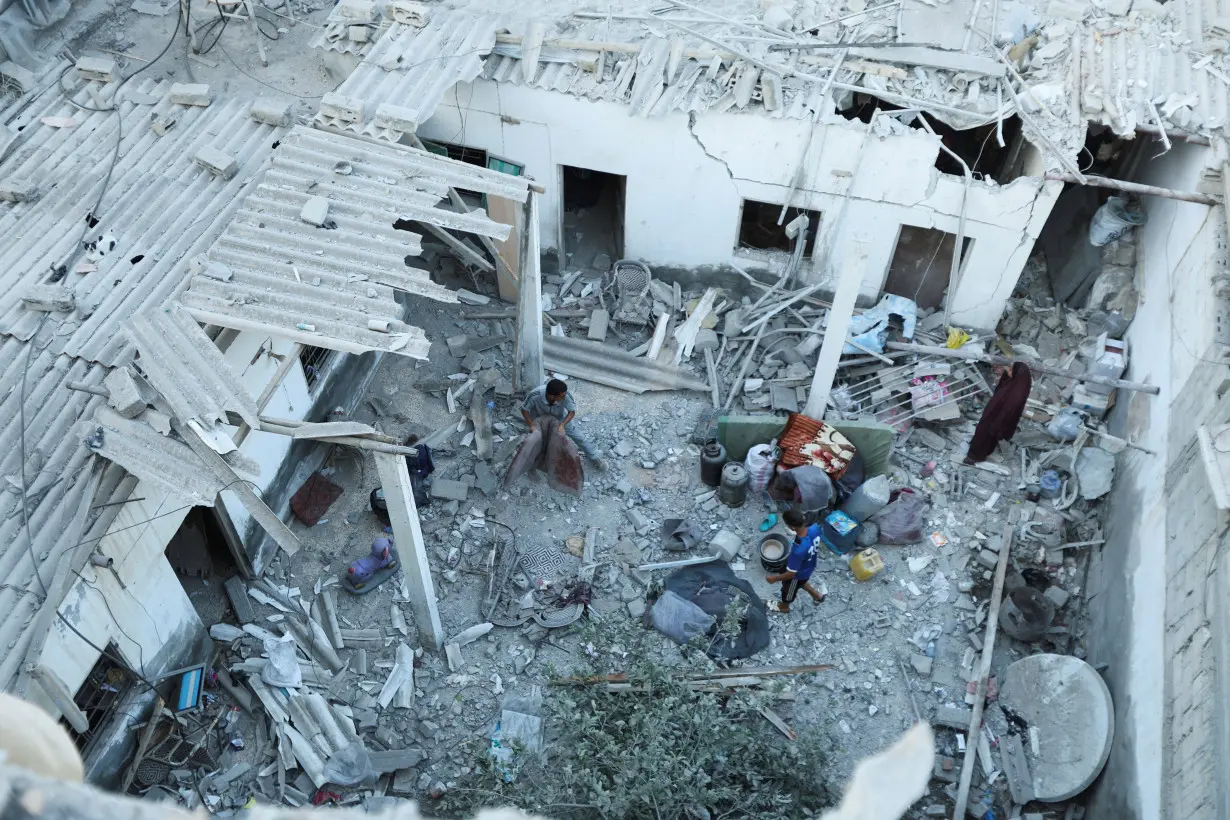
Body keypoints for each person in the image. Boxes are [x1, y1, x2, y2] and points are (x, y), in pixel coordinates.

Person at [521, 378, 606, 470]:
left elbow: (571, 412)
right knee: (539, 440)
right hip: (539, 418)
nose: (564, 397)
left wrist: (562, 425)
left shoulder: (565, 395)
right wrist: (531, 425)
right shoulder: (535, 395)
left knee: (579, 436)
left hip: (559, 419)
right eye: (561, 396)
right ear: (552, 396)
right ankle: (535, 461)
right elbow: (524, 409)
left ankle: (594, 456)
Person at [965, 362, 1033, 464]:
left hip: (997, 419)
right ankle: (979, 450)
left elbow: (1008, 412)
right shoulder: (1014, 383)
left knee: (985, 435)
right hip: (993, 415)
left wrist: (996, 425)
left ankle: (974, 457)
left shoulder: (1017, 394)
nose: (1008, 371)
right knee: (983, 433)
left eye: (1010, 370)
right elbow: (1001, 387)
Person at [765, 509, 827, 613]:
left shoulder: (798, 549)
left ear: (792, 527)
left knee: (788, 591)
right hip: (809, 565)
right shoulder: (814, 527)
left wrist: (774, 578)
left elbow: (791, 574)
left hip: (797, 574)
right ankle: (817, 596)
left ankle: (784, 607)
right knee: (801, 582)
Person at [769, 464, 834, 523]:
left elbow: (801, 506)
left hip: (815, 493)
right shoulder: (799, 475)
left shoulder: (807, 497)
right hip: (814, 480)